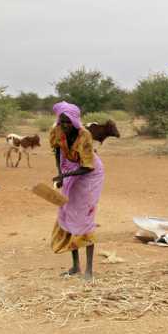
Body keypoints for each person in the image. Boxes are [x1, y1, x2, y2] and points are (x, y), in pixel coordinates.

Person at [50, 101, 105, 281]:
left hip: (90, 175)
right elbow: (57, 151)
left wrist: (66, 175)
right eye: (62, 121)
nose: (64, 125)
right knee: (67, 212)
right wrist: (60, 173)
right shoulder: (57, 130)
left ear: (74, 120)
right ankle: (75, 266)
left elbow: (87, 167)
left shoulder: (84, 135)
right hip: (70, 170)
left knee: (84, 218)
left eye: (68, 122)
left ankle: (88, 270)